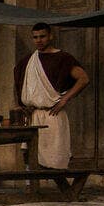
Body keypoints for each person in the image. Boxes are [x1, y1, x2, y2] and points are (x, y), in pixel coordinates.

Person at [14, 22, 89, 169]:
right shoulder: (28, 60)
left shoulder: (62, 58)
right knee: (32, 157)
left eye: (42, 36)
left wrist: (65, 99)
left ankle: (63, 189)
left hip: (53, 114)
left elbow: (83, 79)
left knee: (56, 158)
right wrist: (23, 106)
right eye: (35, 37)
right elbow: (20, 85)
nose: (39, 40)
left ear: (50, 36)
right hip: (33, 115)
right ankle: (32, 188)